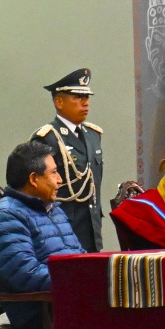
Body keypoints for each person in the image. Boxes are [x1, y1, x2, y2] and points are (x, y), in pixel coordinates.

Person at [0, 142, 85, 329]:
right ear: (34, 179)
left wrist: (94, 274)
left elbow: (80, 256)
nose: (60, 180)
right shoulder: (5, 217)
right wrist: (80, 282)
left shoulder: (53, 210)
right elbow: (26, 275)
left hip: (68, 301)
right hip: (40, 312)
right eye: (54, 173)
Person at [31, 69, 104, 252]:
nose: (85, 102)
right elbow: (38, 190)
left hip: (91, 227)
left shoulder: (93, 134)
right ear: (59, 102)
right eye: (78, 97)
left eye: (86, 97)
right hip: (62, 229)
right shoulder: (47, 138)